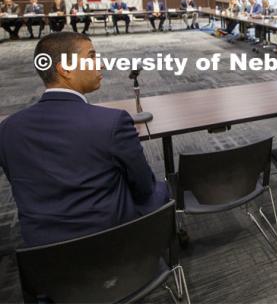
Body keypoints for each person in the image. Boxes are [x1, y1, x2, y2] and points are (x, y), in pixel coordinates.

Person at [0, 32, 170, 247]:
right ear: (65, 69)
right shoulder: (111, 122)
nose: (100, 63)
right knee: (161, 188)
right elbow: (144, 186)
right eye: (91, 56)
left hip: (43, 255)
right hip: (113, 245)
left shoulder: (7, 129)